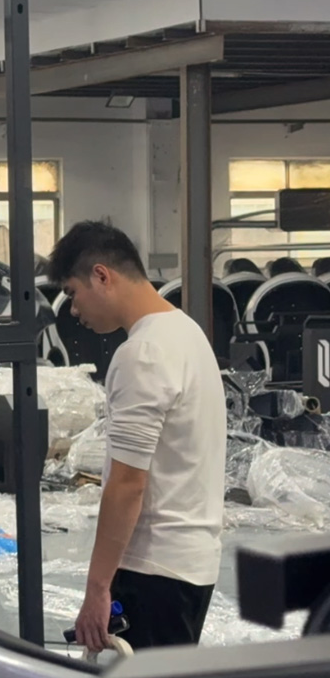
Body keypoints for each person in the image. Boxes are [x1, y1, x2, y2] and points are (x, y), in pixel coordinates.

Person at [46, 221, 226, 654]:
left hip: (154, 570)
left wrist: (97, 589)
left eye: (72, 293)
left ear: (101, 276)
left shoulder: (141, 354)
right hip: (192, 563)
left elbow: (128, 484)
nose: (73, 310)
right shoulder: (186, 332)